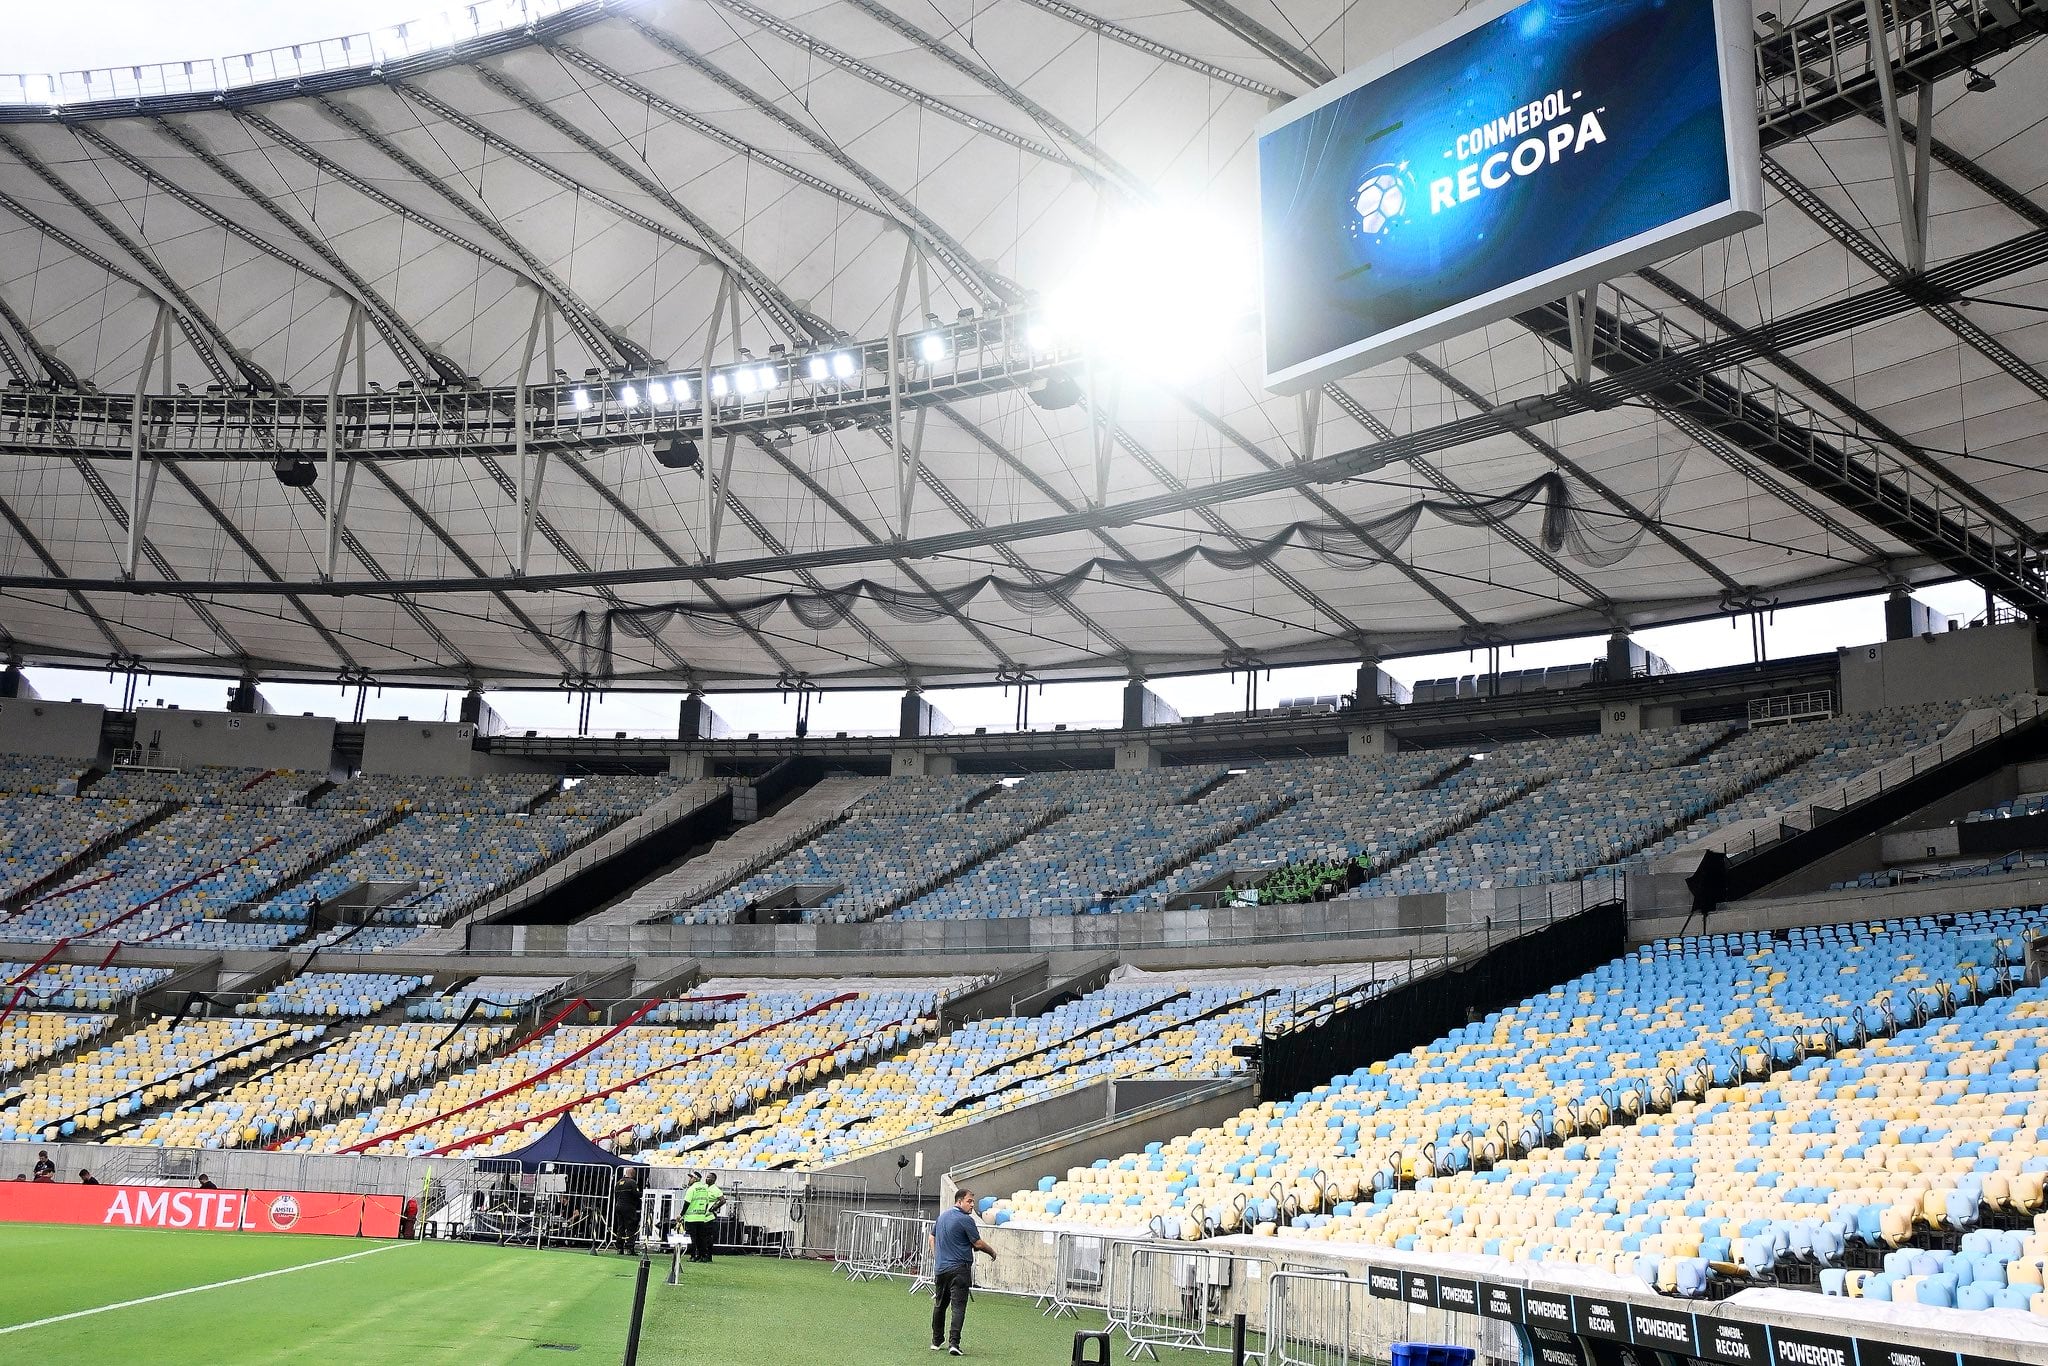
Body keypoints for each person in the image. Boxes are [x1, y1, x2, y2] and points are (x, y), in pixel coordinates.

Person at [928, 1189, 996, 1356]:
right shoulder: (966, 1220)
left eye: (973, 1201)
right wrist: (992, 1252)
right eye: (969, 1201)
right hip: (959, 1269)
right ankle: (954, 1344)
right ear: (959, 1202)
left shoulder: (942, 1216)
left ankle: (936, 1341)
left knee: (940, 1305)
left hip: (941, 1269)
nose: (972, 1204)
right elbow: (978, 1243)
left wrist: (937, 1256)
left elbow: (932, 1237)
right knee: (958, 1307)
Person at [680, 1172, 723, 1264]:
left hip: (700, 1217)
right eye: (707, 1177)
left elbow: (722, 1200)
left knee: (702, 1238)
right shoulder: (704, 1188)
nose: (707, 1179)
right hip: (702, 1217)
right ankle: (701, 1255)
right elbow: (706, 1201)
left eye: (710, 1178)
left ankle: (701, 1256)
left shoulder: (713, 1189)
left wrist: (713, 1209)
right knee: (701, 1238)